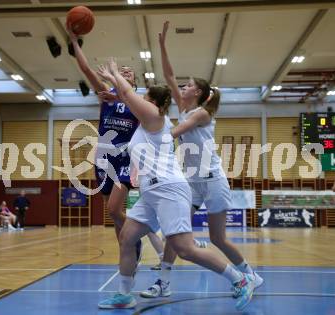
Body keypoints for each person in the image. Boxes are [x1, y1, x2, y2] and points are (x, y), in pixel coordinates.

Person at [96, 58, 255, 310]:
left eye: (144, 97)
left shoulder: (153, 116)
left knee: (185, 249)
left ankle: (239, 280)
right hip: (151, 191)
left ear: (152, 102)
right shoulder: (148, 117)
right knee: (127, 238)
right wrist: (115, 86)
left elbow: (127, 94)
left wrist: (115, 73)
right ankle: (125, 295)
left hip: (169, 189)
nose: (139, 100)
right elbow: (125, 98)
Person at [140, 21, 263, 300]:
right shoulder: (184, 107)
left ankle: (250, 275)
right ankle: (164, 282)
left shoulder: (202, 114)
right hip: (192, 183)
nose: (183, 86)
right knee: (175, 232)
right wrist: (162, 45)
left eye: (189, 85)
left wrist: (151, 140)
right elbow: (169, 74)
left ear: (198, 92)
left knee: (218, 238)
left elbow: (174, 132)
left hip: (213, 181)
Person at [67, 25, 143, 260]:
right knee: (113, 213)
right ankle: (126, 250)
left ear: (135, 82)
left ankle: (134, 240)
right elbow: (86, 69)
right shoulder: (104, 93)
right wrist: (73, 41)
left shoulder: (139, 99)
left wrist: (120, 95)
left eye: (130, 72)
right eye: (123, 70)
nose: (126, 71)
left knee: (113, 208)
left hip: (125, 159)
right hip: (103, 158)